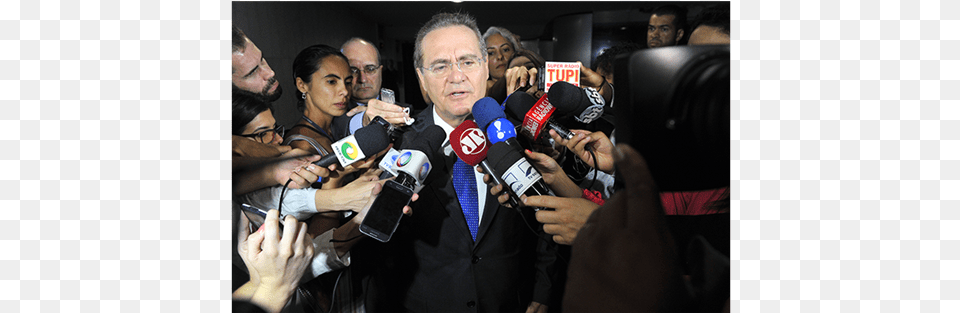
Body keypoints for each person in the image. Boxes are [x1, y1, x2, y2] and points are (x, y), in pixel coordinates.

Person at [354, 12, 561, 313]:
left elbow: (545, 217)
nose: (456, 76)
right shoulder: (397, 144)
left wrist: (544, 290)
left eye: (467, 61)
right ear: (421, 77)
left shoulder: (517, 132)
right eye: (440, 66)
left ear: (485, 67)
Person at [337, 38, 414, 138]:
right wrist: (364, 120)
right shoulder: (332, 114)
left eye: (370, 69)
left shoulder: (404, 111)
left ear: (380, 71)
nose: (363, 79)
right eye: (353, 70)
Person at [482, 26, 521, 103]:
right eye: (491, 53)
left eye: (505, 50)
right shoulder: (479, 94)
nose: (499, 56)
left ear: (515, 53)